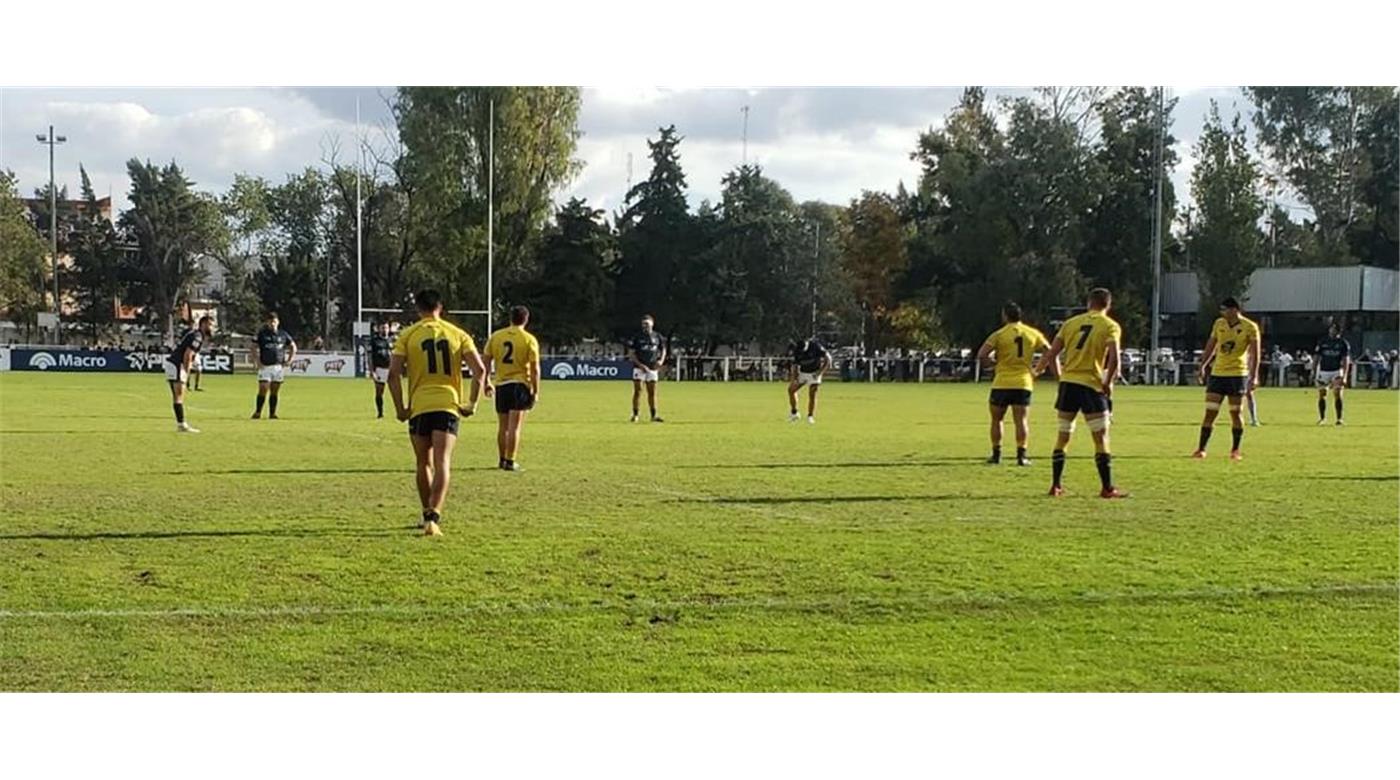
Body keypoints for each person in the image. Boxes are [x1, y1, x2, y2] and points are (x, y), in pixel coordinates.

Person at [388, 289, 489, 537]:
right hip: (448, 404)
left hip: (420, 405)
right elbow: (480, 370)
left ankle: (426, 514)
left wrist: (401, 408)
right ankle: (434, 517)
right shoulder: (458, 334)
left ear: (418, 309)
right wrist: (472, 403)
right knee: (443, 461)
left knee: (423, 462)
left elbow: (392, 375)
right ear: (440, 307)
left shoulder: (407, 335)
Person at [1032, 288, 1125, 498]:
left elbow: (1052, 352)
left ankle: (1055, 485)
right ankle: (1107, 488)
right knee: (1101, 438)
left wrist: (1038, 369)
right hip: (1091, 385)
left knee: (1063, 435)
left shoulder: (1071, 323)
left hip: (1068, 384)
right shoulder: (1110, 326)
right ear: (1108, 305)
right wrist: (1109, 382)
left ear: (1088, 303)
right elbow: (1114, 359)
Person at [976, 302, 1051, 466]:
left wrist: (993, 365)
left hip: (1001, 382)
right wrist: (1038, 369)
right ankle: (1021, 455)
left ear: (1004, 316)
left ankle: (996, 455)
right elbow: (1049, 351)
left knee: (997, 420)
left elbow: (982, 355)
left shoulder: (999, 334)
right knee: (1021, 420)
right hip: (1023, 382)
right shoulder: (1032, 333)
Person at [1192, 297, 1261, 460]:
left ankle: (1235, 450)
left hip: (1238, 374)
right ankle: (1201, 449)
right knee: (1210, 412)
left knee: (1236, 413)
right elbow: (1211, 345)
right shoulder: (1219, 324)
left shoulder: (1250, 327)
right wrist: (1202, 366)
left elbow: (1255, 353)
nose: (1222, 313)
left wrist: (1254, 375)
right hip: (1218, 374)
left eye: (1225, 309)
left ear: (1235, 310)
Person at [483, 305, 541, 471]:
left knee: (503, 426)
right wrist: (535, 391)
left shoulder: (496, 337)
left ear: (510, 318)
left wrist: (487, 381)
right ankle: (510, 461)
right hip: (519, 385)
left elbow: (485, 362)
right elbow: (535, 368)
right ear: (526, 319)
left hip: (501, 385)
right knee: (514, 427)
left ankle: (502, 459)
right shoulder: (529, 339)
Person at [164, 316, 214, 433]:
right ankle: (181, 424)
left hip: (173, 363)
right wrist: (187, 372)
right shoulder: (197, 336)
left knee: (178, 396)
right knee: (179, 396)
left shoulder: (195, 334)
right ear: (204, 324)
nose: (212, 328)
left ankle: (181, 423)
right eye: (210, 325)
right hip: (177, 364)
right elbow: (188, 354)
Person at [251, 312, 296, 420]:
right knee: (263, 388)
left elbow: (293, 346)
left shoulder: (283, 334)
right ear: (267, 322)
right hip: (265, 366)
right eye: (270, 321)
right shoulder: (262, 334)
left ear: (278, 322)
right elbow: (253, 347)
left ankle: (272, 413)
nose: (272, 324)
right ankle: (258, 412)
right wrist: (257, 361)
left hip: (278, 367)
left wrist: (290, 359)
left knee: (275, 390)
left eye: (274, 321)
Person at [627, 314, 666, 422]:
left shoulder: (657, 336)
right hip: (639, 367)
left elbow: (663, 350)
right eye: (643, 324)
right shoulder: (637, 337)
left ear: (652, 324)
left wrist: (661, 361)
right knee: (638, 391)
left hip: (652, 367)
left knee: (652, 392)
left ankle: (653, 415)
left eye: (647, 324)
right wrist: (640, 365)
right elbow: (631, 353)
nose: (645, 326)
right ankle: (635, 415)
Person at [1313, 323, 1351, 425]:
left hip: (1337, 371)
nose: (1332, 331)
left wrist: (1345, 375)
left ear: (1339, 331)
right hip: (1323, 371)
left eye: (1335, 329)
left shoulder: (1343, 343)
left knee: (1337, 394)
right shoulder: (1323, 342)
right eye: (1331, 329)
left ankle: (1339, 419)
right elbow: (1316, 357)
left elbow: (1346, 360)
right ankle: (1322, 418)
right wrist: (1314, 371)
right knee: (1322, 394)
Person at [787, 336, 831, 424]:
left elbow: (828, 359)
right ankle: (794, 412)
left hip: (815, 372)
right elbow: (795, 366)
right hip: (803, 373)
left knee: (812, 394)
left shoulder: (816, 346)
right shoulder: (797, 350)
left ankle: (810, 416)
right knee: (791, 390)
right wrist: (793, 379)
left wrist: (820, 373)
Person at [367, 321, 394, 418]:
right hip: (380, 369)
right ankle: (380, 412)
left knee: (396, 391)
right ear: (379, 329)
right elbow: (370, 357)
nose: (384, 330)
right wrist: (371, 371)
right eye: (382, 328)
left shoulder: (393, 340)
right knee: (379, 391)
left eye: (386, 328)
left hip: (391, 369)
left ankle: (399, 410)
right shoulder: (374, 341)